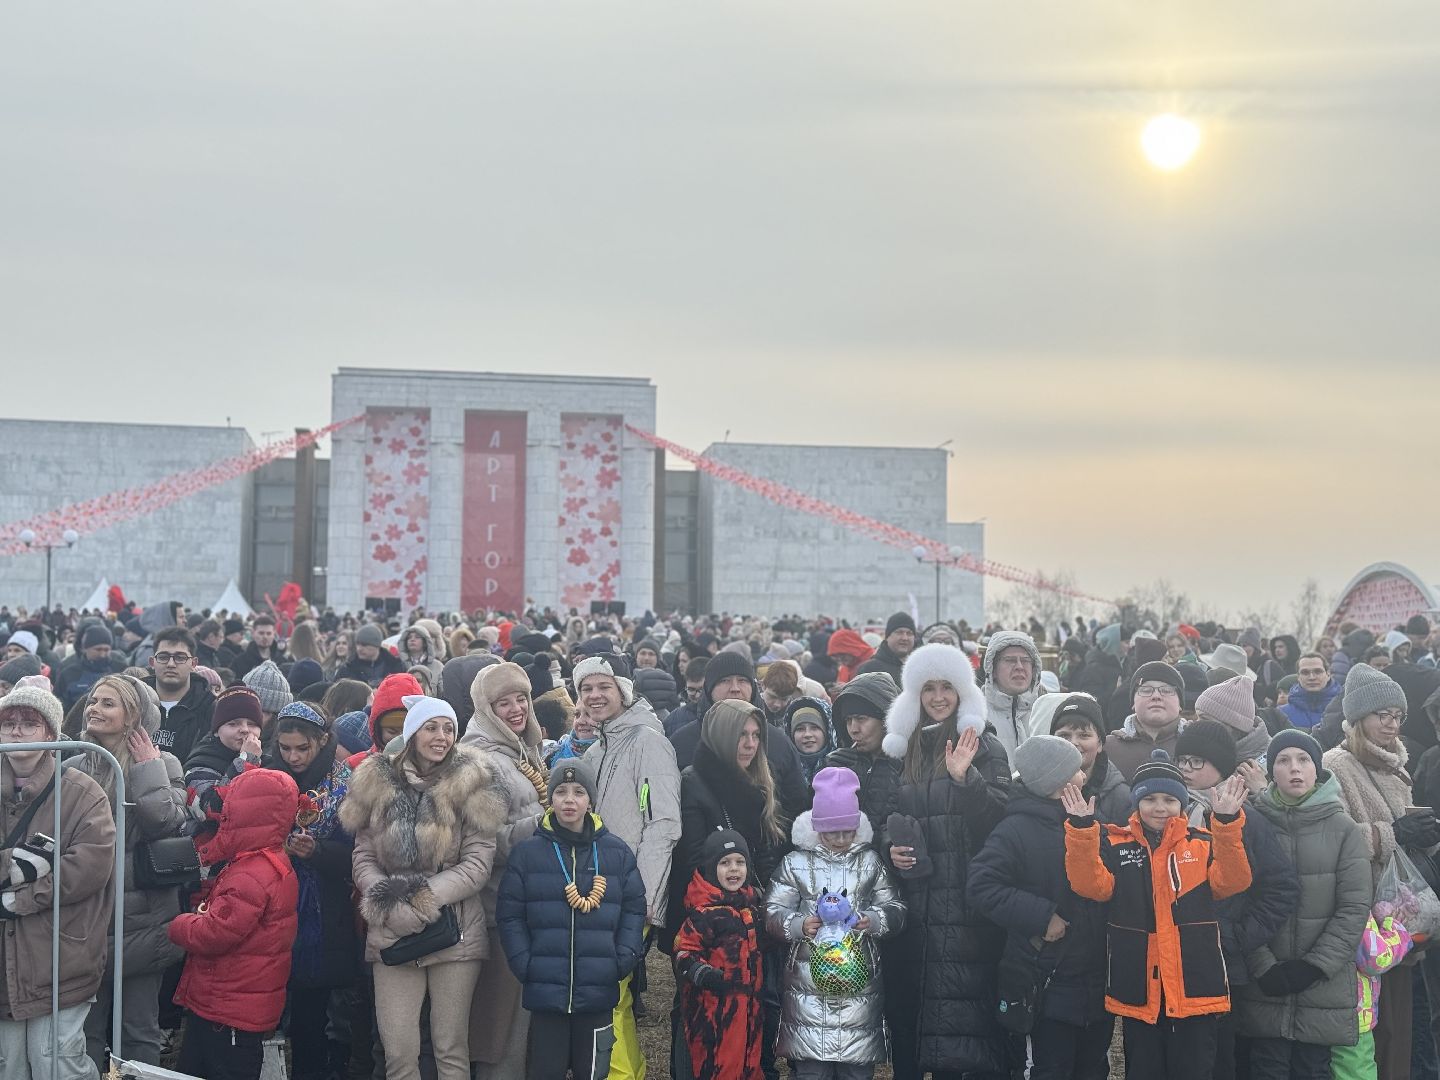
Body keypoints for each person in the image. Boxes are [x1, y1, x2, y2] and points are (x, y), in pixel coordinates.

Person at [340, 694, 507, 1080]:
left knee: (450, 1050)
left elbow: (477, 864)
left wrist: (421, 900)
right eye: (431, 727)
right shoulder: (378, 782)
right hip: (391, 930)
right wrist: (389, 903)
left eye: (449, 728)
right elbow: (363, 857)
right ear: (413, 733)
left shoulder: (474, 784)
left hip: (456, 933)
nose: (441, 736)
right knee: (399, 1054)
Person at [1061, 752, 1253, 1080]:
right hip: (1140, 989)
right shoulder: (1117, 844)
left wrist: (1225, 825)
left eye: (1169, 799)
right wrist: (1081, 830)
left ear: (1182, 804)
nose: (1160, 807)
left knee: (1194, 1070)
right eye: (1149, 799)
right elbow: (1091, 886)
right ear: (1136, 803)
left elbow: (1233, 881)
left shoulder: (1202, 843)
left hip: (1195, 988)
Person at [881, 641, 1011, 1080]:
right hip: (915, 904)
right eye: (928, 688)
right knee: (912, 1017)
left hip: (965, 908)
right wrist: (889, 847)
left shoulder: (986, 748)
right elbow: (883, 815)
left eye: (947, 687)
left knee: (962, 1024)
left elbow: (998, 821)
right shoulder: (901, 752)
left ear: (962, 692)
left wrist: (966, 778)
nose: (938, 697)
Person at [1233, 729, 1372, 1080]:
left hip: (1322, 984)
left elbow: (1354, 907)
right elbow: (1238, 901)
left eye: (1304, 760)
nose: (1294, 768)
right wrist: (1262, 964)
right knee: (1267, 1067)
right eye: (1283, 760)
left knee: (1313, 1069)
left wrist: (1314, 966)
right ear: (1271, 771)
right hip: (1265, 983)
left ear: (1317, 770)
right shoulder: (1251, 824)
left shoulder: (1345, 829)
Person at [969, 735, 1110, 1080]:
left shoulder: (1092, 821)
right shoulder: (1014, 829)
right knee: (1050, 1068)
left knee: (1093, 1067)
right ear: (1057, 783)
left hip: (1095, 976)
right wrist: (1041, 916)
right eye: (1076, 772)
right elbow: (981, 885)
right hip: (1045, 979)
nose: (1083, 777)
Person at [496, 758, 647, 1080]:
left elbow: (634, 908)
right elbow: (511, 914)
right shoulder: (528, 853)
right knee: (545, 1071)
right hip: (546, 989)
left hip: (598, 987)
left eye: (579, 792)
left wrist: (622, 959)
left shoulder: (616, 853)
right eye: (561, 791)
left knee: (592, 1072)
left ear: (590, 800)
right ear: (550, 799)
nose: (569, 799)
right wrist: (525, 963)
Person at [1321, 663, 1436, 1080]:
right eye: (1381, 715)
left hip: (1397, 911)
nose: (1391, 724)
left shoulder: (1397, 765)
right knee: (1378, 1027)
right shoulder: (1337, 765)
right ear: (1357, 718)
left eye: (1398, 716)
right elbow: (1334, 838)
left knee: (1400, 1025)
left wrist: (1421, 835)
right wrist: (1394, 833)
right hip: (1365, 916)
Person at [69, 675, 188, 1072]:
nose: (94, 709)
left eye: (108, 703)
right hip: (86, 918)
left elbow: (167, 823)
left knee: (138, 1029)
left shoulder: (163, 764)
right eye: (93, 700)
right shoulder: (71, 764)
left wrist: (147, 769)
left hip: (140, 923)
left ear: (133, 716)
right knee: (86, 1031)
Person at [0, 683, 117, 1080]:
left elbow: (91, 865)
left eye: (29, 723)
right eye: (8, 722)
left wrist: (20, 899)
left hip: (60, 955)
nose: (16, 732)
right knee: (8, 1065)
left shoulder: (83, 793)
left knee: (58, 1064)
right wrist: (17, 862)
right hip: (4, 962)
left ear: (51, 733)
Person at [1173, 720, 1301, 1080]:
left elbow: (1280, 887)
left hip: (1222, 963)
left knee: (1217, 1060)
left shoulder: (1247, 820)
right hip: (1167, 957)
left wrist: (1238, 935)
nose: (1186, 768)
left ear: (1221, 766)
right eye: (1182, 759)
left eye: (1197, 761)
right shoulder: (1164, 810)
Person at [667, 699, 787, 1076]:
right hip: (706, 911)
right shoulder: (695, 780)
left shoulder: (760, 782)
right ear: (721, 737)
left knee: (755, 1003)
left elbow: (767, 849)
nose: (750, 744)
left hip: (749, 911)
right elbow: (692, 857)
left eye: (755, 736)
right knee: (700, 1011)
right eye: (741, 735)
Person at [576, 654, 681, 1080]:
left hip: (626, 893)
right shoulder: (601, 746)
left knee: (608, 994)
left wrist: (644, 900)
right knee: (612, 997)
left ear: (622, 689)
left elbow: (664, 824)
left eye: (603, 686)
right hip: (600, 891)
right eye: (586, 688)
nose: (595, 696)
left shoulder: (647, 741)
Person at [765, 767, 905, 1080]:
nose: (840, 839)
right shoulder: (795, 863)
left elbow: (895, 907)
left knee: (856, 1071)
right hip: (808, 989)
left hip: (859, 990)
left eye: (847, 831)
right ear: (817, 828)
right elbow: (772, 910)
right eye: (831, 832)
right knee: (811, 1071)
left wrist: (872, 920)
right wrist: (798, 924)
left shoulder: (870, 862)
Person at [168, 767, 303, 1080]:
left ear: (245, 815)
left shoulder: (249, 874)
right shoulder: (270, 862)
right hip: (239, 1006)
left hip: (227, 1011)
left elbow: (217, 933)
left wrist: (180, 924)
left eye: (229, 810)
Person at [459, 662, 549, 1079]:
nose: (516, 709)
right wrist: (544, 827)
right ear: (485, 707)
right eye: (504, 702)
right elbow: (483, 842)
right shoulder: (481, 760)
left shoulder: (521, 747)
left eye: (522, 699)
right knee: (499, 1030)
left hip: (526, 903)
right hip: (498, 909)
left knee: (520, 1024)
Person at [264, 701, 358, 1080]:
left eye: (302, 748)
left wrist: (316, 851)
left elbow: (355, 854)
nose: (293, 756)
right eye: (285, 748)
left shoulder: (342, 786)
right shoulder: (267, 777)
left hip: (321, 911)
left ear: (322, 741)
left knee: (310, 1013)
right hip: (269, 899)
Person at [672, 830, 765, 1080]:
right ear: (712, 868)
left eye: (740, 862)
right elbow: (683, 952)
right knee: (718, 1065)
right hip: (714, 1010)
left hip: (749, 1007)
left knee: (748, 1060)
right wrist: (702, 972)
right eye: (725, 863)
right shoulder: (703, 913)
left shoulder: (751, 908)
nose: (733, 870)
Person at [823, 672, 902, 844]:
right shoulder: (839, 762)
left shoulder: (908, 764)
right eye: (848, 720)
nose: (853, 729)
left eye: (861, 719)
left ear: (885, 719)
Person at [1048, 693, 1131, 823]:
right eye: (1064, 735)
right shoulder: (1035, 789)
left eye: (1084, 735)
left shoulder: (1121, 798)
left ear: (1100, 744)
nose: (1073, 742)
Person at [184, 687, 267, 814]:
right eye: (233, 724)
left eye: (252, 724)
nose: (245, 729)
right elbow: (212, 810)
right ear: (217, 731)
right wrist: (247, 760)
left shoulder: (269, 762)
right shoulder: (199, 764)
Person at [1104, 660, 1187, 781]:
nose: (1156, 696)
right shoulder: (1108, 748)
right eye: (1146, 690)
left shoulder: (1198, 744)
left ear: (1180, 703)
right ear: (1133, 703)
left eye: (1167, 690)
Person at [145, 626, 216, 766]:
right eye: (163, 657)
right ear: (152, 662)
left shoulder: (211, 708)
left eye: (180, 658)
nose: (171, 664)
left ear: (193, 663)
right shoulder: (135, 701)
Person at [979, 630, 1044, 762]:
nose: (1019, 667)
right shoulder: (976, 713)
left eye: (1026, 660)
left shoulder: (1045, 710)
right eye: (1010, 660)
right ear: (993, 670)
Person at [52, 623, 127, 713]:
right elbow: (58, 705)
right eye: (98, 649)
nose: (102, 654)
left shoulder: (121, 670)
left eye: (106, 650)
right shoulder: (69, 674)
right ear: (85, 649)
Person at [1279, 653, 1340, 732]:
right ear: (1298, 677)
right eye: (1305, 672)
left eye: (1318, 671)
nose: (1312, 677)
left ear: (1328, 674)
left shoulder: (1344, 710)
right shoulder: (1282, 714)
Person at [784, 697, 835, 787]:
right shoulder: (782, 770)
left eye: (815, 728)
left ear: (827, 732)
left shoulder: (841, 768)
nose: (807, 734)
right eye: (800, 729)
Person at [854, 613, 916, 685]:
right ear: (887, 637)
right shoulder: (869, 670)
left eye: (909, 633)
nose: (905, 638)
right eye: (899, 632)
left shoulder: (919, 668)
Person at [340, 624, 406, 688]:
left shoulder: (396, 666)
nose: (359, 649)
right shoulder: (348, 668)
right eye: (357, 644)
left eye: (364, 645)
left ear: (376, 645)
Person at [233, 614, 291, 679]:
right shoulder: (240, 662)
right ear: (253, 633)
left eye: (269, 633)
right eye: (261, 633)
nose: (265, 637)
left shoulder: (282, 661)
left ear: (273, 634)